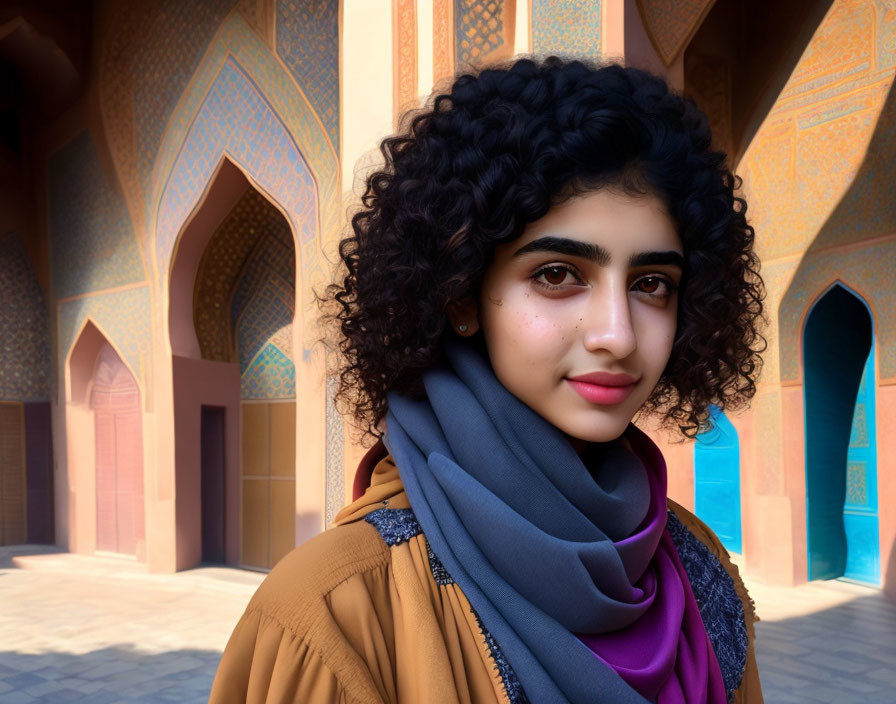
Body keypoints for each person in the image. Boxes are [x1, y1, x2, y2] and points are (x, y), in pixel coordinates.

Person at [209, 56, 766, 703]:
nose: (616, 333)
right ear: (462, 295)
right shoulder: (335, 615)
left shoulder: (698, 569)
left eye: (651, 285)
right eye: (558, 275)